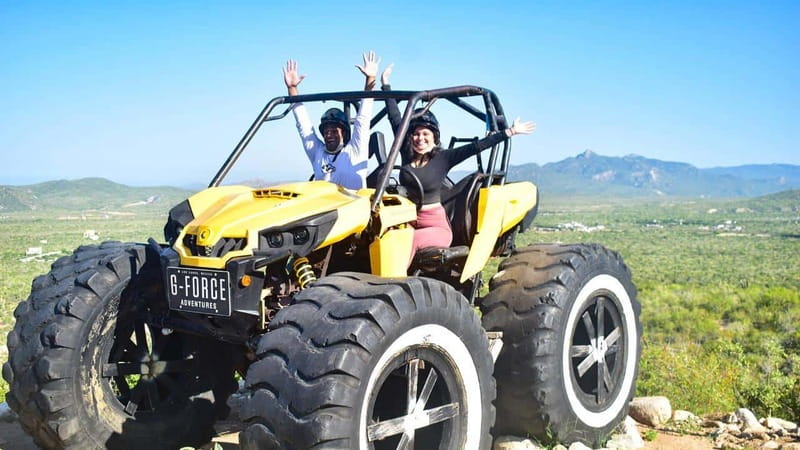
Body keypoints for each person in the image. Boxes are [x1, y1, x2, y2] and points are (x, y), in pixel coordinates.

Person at [401, 109, 536, 259]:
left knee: (405, 241)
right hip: (408, 218)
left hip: (435, 226)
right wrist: (383, 86)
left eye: (425, 134)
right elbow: (396, 121)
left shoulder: (443, 158)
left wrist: (510, 131)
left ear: (434, 137)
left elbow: (476, 147)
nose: (420, 138)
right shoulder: (406, 156)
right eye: (416, 134)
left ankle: (393, 279)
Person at [282, 52, 380, 190]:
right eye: (326, 131)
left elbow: (363, 120)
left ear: (344, 133)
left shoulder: (355, 150)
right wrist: (292, 89)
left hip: (353, 209)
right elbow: (303, 127)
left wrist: (370, 78)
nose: (329, 135)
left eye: (334, 131)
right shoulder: (318, 153)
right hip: (326, 209)